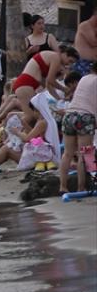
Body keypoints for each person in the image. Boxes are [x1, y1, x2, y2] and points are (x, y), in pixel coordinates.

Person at [59, 61, 96, 195]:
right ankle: (82, 187)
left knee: (67, 153)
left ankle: (63, 186)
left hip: (69, 115)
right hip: (85, 117)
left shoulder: (84, 78)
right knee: (85, 153)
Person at [12, 47, 79, 108]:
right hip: (26, 84)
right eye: (70, 61)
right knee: (31, 117)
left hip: (26, 84)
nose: (69, 64)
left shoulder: (53, 58)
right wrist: (64, 89)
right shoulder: (56, 57)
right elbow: (50, 80)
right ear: (64, 54)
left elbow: (48, 85)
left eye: (72, 63)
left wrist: (59, 99)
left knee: (34, 114)